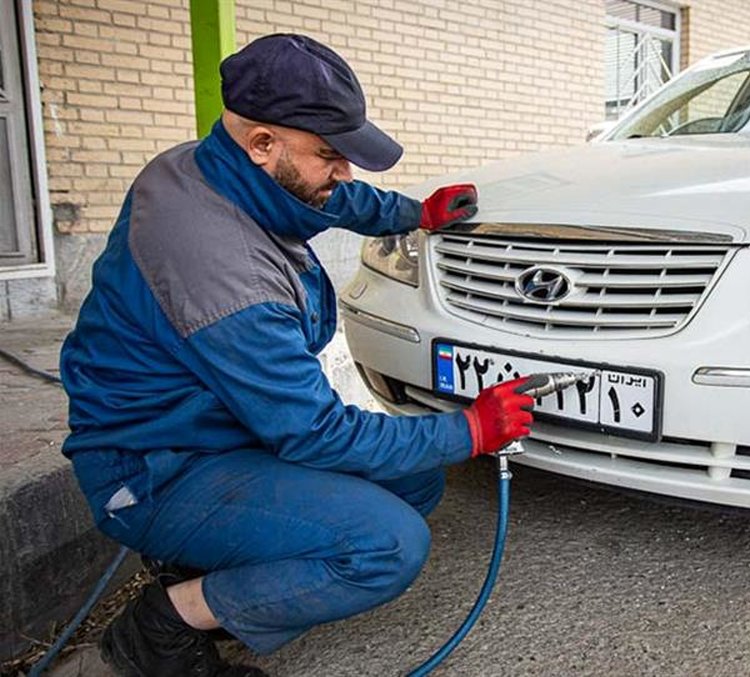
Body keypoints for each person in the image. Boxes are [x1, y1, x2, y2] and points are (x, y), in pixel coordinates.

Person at [58, 33, 534, 676]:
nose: (345, 172)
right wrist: (471, 428)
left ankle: (215, 566)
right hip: (155, 467)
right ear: (262, 143)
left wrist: (413, 213)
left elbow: (322, 195)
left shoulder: (205, 166)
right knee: (387, 545)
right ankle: (163, 628)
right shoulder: (223, 274)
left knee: (415, 478)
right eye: (331, 155)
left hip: (218, 429)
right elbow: (316, 434)